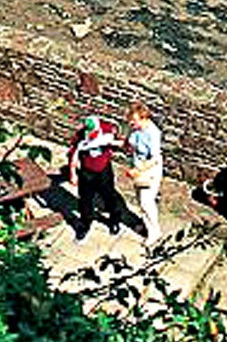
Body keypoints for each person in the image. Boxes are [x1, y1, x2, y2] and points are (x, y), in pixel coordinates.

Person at [64, 112, 124, 241]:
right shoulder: (80, 136)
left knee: (109, 196)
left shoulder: (107, 129)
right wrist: (73, 173)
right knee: (85, 200)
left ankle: (114, 220)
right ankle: (85, 224)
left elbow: (118, 140)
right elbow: (73, 154)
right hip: (87, 171)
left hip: (104, 170)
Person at [126, 102, 165, 245]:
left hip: (149, 170)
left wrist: (138, 170)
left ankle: (155, 232)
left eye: (134, 120)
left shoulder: (153, 134)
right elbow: (129, 143)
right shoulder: (135, 128)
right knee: (140, 201)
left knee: (146, 202)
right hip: (137, 166)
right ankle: (146, 224)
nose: (131, 123)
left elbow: (154, 159)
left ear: (144, 118)